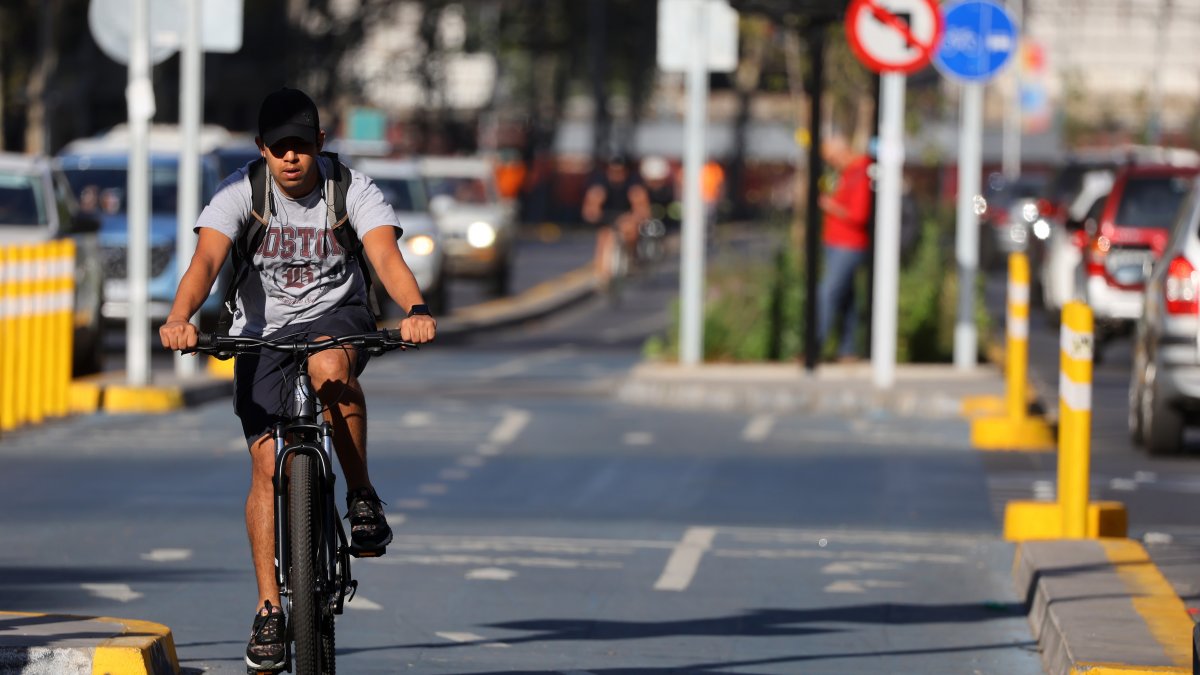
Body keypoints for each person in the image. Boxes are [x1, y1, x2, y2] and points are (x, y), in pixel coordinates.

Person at [157, 87, 437, 673]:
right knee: (265, 465)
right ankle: (268, 609)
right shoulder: (240, 192)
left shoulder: (351, 190)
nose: (291, 158)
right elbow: (205, 261)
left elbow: (386, 258)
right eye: (279, 147)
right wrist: (181, 318)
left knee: (329, 365)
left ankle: (361, 496)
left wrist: (414, 309)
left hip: (337, 317)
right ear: (261, 147)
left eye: (302, 146)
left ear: (321, 144)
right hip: (260, 333)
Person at [815, 132, 872, 363]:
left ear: (843, 151)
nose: (831, 163)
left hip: (849, 244)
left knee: (827, 292)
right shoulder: (846, 173)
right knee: (847, 299)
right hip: (835, 242)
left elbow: (859, 215)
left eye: (832, 157)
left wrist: (829, 205)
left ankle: (814, 345)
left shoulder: (862, 172)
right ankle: (848, 350)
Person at [581, 155, 650, 284]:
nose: (616, 174)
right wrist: (593, 211)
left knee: (630, 230)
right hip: (608, 216)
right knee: (604, 237)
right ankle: (602, 274)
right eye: (613, 170)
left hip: (627, 216)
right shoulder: (601, 181)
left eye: (620, 171)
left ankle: (632, 256)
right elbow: (593, 199)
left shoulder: (633, 182)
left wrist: (636, 216)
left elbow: (640, 203)